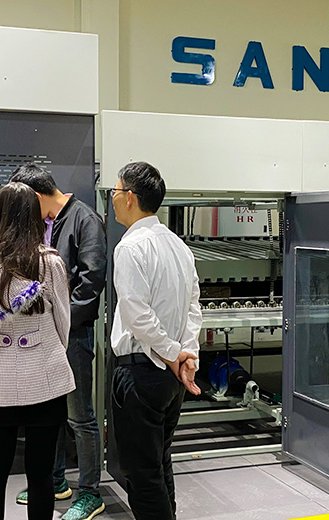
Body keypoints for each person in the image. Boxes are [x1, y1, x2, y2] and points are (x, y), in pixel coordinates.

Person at [0, 182, 76, 520]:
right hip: (45, 375)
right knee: (41, 473)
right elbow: (63, 320)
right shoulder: (48, 261)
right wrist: (50, 350)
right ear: (34, 216)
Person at [9, 163, 107, 520]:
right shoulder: (44, 222)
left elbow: (91, 281)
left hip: (73, 334)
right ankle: (55, 480)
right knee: (51, 413)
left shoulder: (84, 219)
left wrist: (61, 324)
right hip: (47, 333)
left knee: (80, 416)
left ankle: (90, 492)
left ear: (36, 196)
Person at [108, 161, 202, 520]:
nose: (113, 198)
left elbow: (137, 315)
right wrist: (185, 353)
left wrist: (174, 353)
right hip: (171, 378)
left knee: (142, 474)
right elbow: (194, 307)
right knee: (160, 462)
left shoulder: (130, 247)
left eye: (116, 191)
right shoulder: (178, 246)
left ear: (130, 197)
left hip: (141, 372)